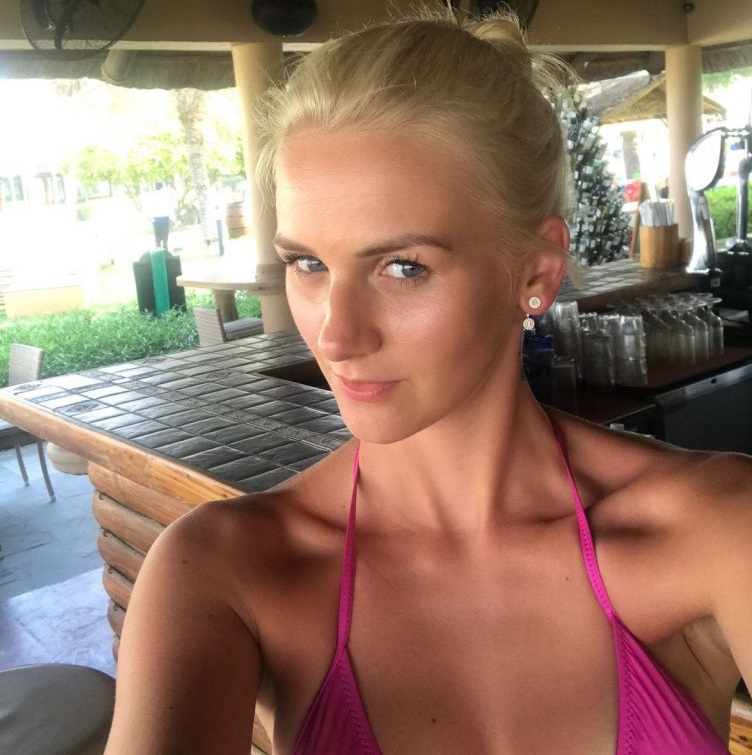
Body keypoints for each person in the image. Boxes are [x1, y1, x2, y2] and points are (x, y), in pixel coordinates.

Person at [104, 9, 752, 755]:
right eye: (308, 263)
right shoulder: (226, 573)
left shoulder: (714, 530)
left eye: (402, 267)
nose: (335, 335)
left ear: (535, 273)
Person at [143, 181, 173, 251]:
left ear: (155, 187)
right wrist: (172, 218)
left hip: (155, 218)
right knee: (165, 235)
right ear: (162, 187)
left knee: (157, 235)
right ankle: (165, 249)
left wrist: (150, 218)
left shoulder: (151, 196)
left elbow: (148, 207)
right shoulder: (166, 196)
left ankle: (158, 249)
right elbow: (170, 206)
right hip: (165, 217)